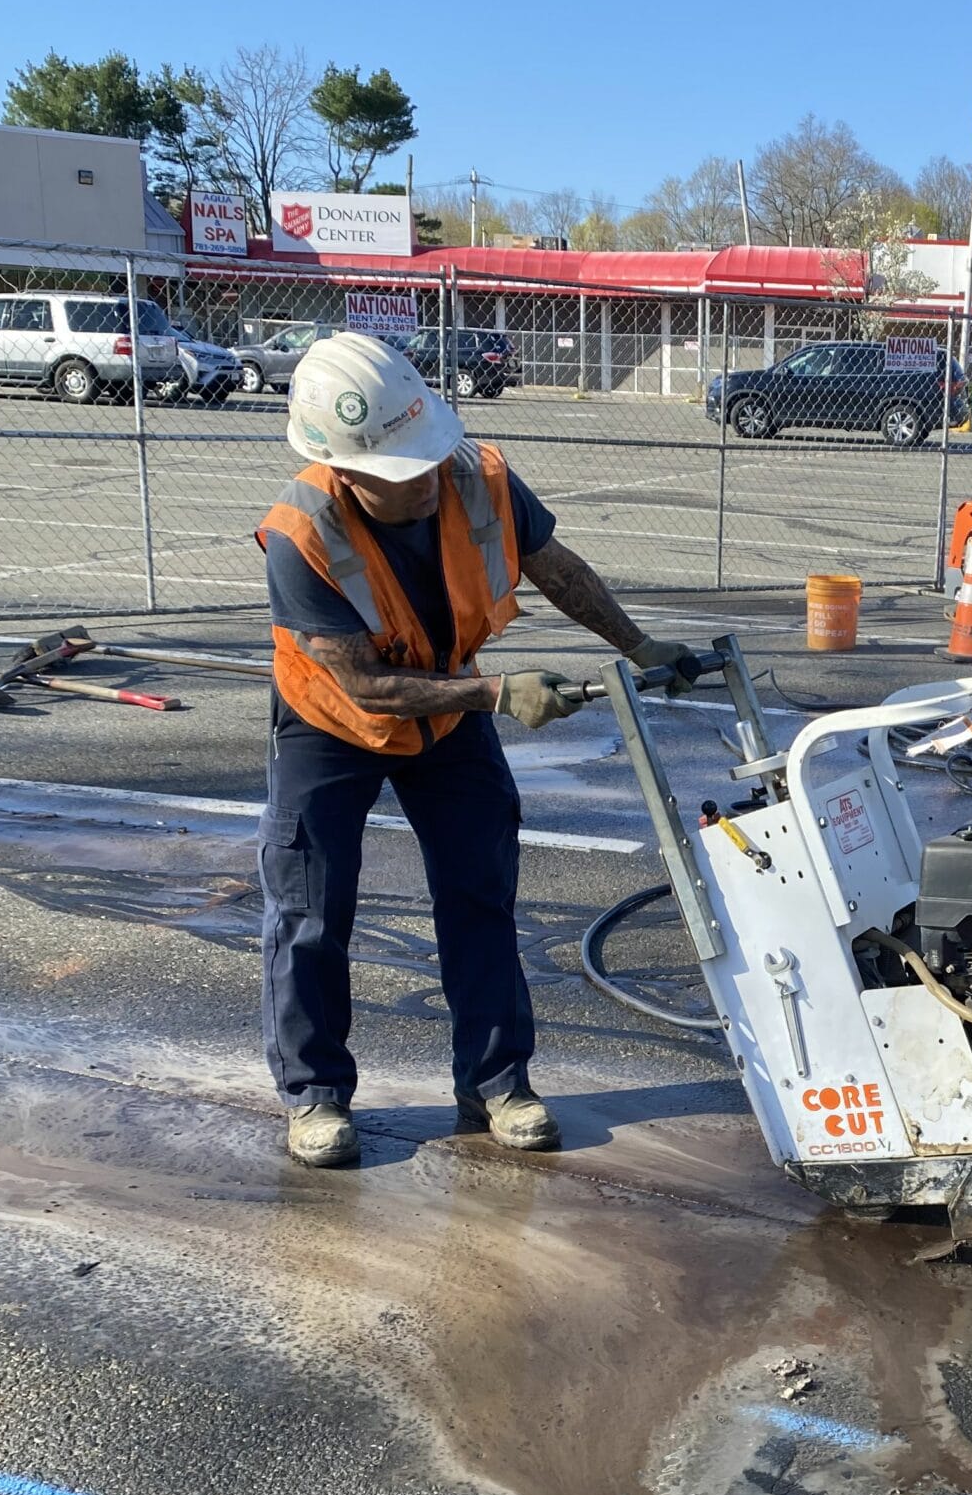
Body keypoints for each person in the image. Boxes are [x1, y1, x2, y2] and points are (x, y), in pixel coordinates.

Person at [256, 330, 697, 1169]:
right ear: (344, 470)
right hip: (333, 724)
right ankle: (316, 1095)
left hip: (447, 716)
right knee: (311, 909)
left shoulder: (477, 476)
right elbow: (368, 688)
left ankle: (497, 1082)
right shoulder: (300, 534)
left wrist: (638, 646)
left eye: (425, 457)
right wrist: (497, 692)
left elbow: (555, 567)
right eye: (398, 474)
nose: (422, 480)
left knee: (480, 894)